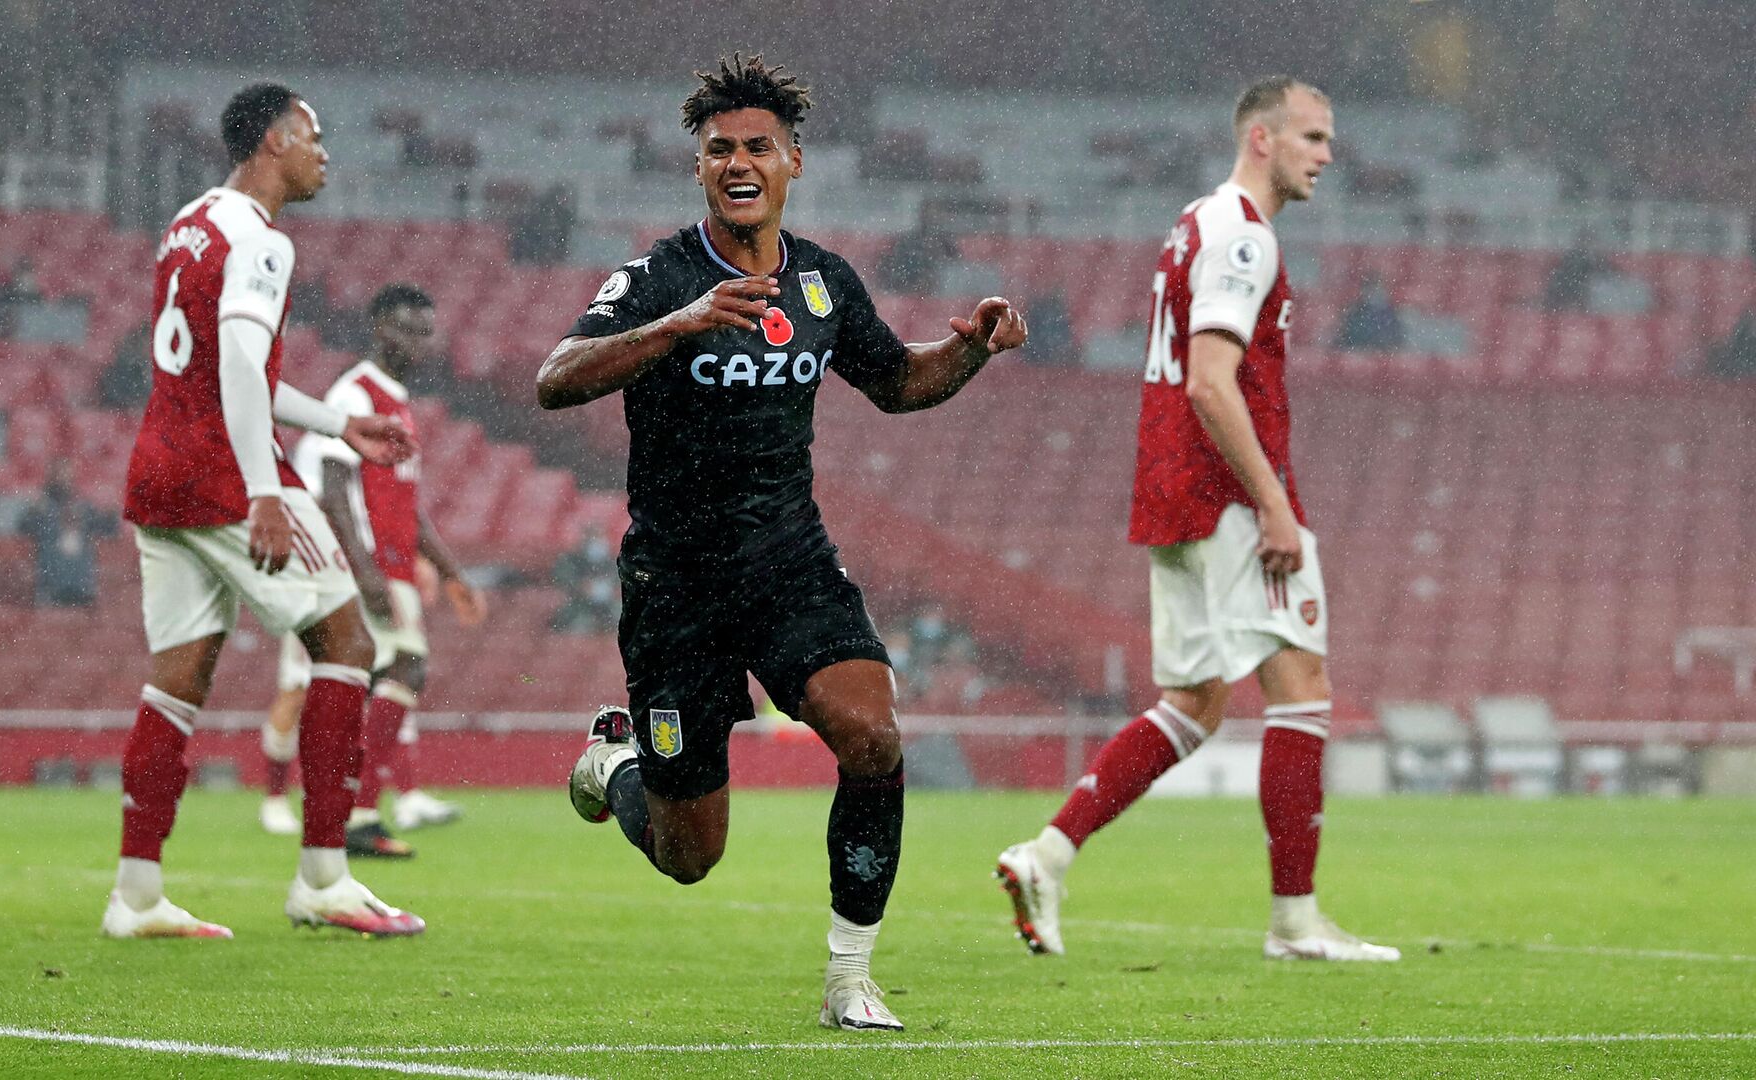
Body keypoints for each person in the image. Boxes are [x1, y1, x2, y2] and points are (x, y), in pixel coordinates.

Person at [540, 54, 1027, 1032]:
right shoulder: (659, 276)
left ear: (793, 160)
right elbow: (556, 378)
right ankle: (619, 768)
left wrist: (969, 349)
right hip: (676, 580)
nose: (737, 161)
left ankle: (850, 981)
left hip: (787, 560)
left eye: (756, 145)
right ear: (700, 169)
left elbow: (897, 383)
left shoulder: (822, 282)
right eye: (719, 149)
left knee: (873, 735)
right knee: (690, 854)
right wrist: (676, 326)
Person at [995, 77, 1399, 965]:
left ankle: (1046, 855)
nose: (1327, 155)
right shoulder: (1242, 240)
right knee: (1301, 691)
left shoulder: (1194, 221)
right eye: (1313, 137)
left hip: (1175, 490)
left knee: (1195, 703)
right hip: (1225, 496)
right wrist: (1275, 505)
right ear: (1261, 137)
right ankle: (1295, 921)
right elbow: (1212, 383)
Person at [105, 83, 425, 940]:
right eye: (315, 136)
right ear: (278, 137)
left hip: (159, 471)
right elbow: (241, 374)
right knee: (350, 642)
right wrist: (263, 492)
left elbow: (223, 365)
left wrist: (337, 424)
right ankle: (324, 875)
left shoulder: (188, 224)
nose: (325, 154)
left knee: (180, 674)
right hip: (222, 475)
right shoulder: (260, 238)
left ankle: (135, 894)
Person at [257, 284, 488, 851]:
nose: (416, 341)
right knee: (398, 671)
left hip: (391, 565)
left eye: (424, 332)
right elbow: (333, 489)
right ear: (378, 326)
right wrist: (365, 573)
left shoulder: (395, 399)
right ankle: (350, 814)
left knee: (380, 680)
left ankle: (348, 812)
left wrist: (451, 571)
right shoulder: (356, 391)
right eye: (405, 328)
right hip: (365, 566)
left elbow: (407, 504)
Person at [18, 461, 114, 607]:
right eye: (59, 475)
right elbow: (22, 527)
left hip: (81, 589)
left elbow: (109, 528)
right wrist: (33, 510)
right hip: (51, 589)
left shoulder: (82, 507)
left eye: (67, 475)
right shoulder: (42, 508)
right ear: (51, 477)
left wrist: (111, 514)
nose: (63, 480)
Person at [549, 524, 618, 633]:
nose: (597, 543)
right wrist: (579, 585)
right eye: (592, 538)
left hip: (608, 606)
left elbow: (622, 581)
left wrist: (612, 588)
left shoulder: (614, 562)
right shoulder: (570, 560)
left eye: (599, 537)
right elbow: (561, 578)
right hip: (579, 605)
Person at [1334, 273, 1405, 351]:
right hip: (1359, 356)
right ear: (1364, 291)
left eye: (1377, 288)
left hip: (1384, 358)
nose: (1374, 293)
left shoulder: (1390, 314)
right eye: (1370, 289)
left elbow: (1395, 340)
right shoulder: (1355, 312)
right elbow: (1347, 340)